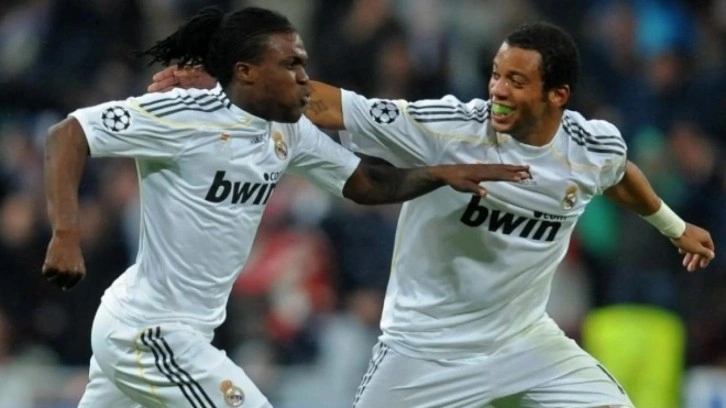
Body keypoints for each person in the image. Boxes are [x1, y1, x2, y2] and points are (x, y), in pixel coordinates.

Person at [148, 21, 716, 408]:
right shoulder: (448, 129)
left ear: (558, 95)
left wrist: (674, 227)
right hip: (424, 349)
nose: (497, 90)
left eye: (516, 81)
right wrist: (230, 82)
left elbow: (619, 176)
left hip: (524, 341)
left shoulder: (592, 146)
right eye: (496, 74)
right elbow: (328, 105)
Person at [42, 7, 532, 408]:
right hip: (149, 331)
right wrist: (65, 232)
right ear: (246, 72)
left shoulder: (287, 132)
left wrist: (440, 175)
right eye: (291, 65)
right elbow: (68, 134)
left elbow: (364, 182)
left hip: (177, 330)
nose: (304, 79)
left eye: (304, 64)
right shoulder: (182, 114)